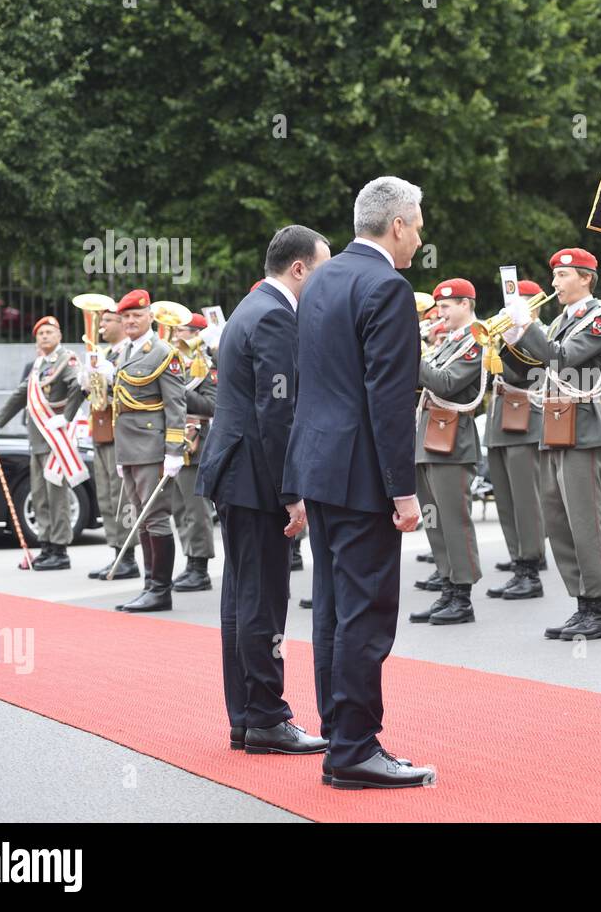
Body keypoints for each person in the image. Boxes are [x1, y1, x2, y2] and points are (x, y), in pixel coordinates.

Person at [284, 177, 434, 788]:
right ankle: (354, 747)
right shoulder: (387, 287)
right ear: (396, 225)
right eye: (418, 224)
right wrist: (404, 491)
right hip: (363, 476)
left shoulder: (319, 279)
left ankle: (340, 735)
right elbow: (390, 399)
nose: (421, 236)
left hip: (318, 466)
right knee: (365, 614)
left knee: (335, 613)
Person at [197, 224, 332, 755]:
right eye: (320, 271)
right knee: (263, 600)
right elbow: (276, 414)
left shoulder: (249, 308)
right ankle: (268, 717)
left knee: (241, 598)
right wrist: (291, 490)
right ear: (299, 269)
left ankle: (248, 716)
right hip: (257, 477)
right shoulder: (276, 315)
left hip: (237, 473)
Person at [500, 248, 601, 640]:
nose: (554, 283)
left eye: (563, 275)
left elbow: (566, 359)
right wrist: (513, 340)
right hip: (555, 427)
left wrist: (530, 326)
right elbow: (532, 369)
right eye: (554, 276)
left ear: (585, 277)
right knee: (559, 522)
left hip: (582, 429)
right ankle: (581, 602)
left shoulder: (598, 316)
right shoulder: (560, 322)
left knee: (585, 523)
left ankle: (598, 608)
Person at [104, 290, 189, 612]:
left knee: (155, 518)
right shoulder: (125, 350)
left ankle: (160, 590)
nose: (129, 322)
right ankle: (149, 584)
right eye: (125, 317)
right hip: (129, 449)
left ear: (149, 316)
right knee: (141, 520)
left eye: (136, 316)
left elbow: (175, 404)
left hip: (152, 449)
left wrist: (173, 451)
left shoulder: (163, 352)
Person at [0, 316, 88, 570]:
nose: (45, 336)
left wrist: (66, 416)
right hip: (38, 440)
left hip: (56, 442)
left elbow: (78, 387)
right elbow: (21, 394)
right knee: (39, 496)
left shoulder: (67, 360)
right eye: (41, 333)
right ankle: (46, 545)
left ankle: (60, 550)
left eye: (50, 332)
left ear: (59, 335)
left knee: (56, 497)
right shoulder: (39, 364)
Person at [408, 278, 485, 624]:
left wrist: (411, 352)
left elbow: (447, 382)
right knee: (433, 518)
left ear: (466, 304)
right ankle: (448, 585)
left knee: (454, 520)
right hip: (429, 437)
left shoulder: (475, 341)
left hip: (453, 439)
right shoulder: (447, 341)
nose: (440, 313)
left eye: (447, 306)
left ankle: (463, 595)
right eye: (439, 306)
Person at [485, 279, 548, 599]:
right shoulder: (505, 333)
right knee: (507, 501)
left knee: (526, 500)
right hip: (500, 421)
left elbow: (528, 370)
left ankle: (531, 568)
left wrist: (514, 338)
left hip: (525, 421)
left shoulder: (542, 334)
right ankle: (517, 560)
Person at [79, 308, 139, 580]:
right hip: (103, 432)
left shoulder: (129, 352)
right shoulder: (107, 354)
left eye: (107, 320)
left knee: (121, 497)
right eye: (100, 320)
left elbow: (132, 387)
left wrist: (110, 373)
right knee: (105, 496)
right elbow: (95, 395)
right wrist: (87, 378)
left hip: (122, 433)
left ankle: (128, 556)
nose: (101, 325)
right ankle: (116, 552)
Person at [168, 312, 218, 592]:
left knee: (196, 509)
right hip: (175, 440)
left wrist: (178, 391)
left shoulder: (206, 365)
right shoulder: (176, 365)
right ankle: (190, 561)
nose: (176, 336)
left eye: (183, 331)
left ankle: (201, 567)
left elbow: (212, 405)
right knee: (179, 508)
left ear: (197, 334)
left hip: (197, 441)